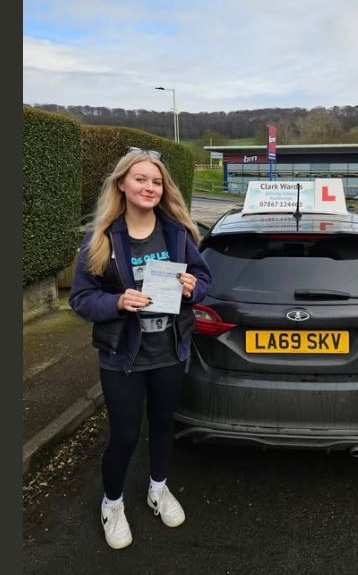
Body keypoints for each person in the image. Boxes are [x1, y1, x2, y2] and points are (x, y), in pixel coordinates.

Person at [69, 148, 212, 549]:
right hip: (123, 357)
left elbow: (203, 278)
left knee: (163, 426)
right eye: (141, 179)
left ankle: (157, 489)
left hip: (170, 350)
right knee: (126, 435)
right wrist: (116, 302)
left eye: (157, 181)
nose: (150, 187)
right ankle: (112, 503)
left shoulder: (177, 233)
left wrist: (193, 288)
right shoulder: (101, 238)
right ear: (122, 184)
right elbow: (80, 298)